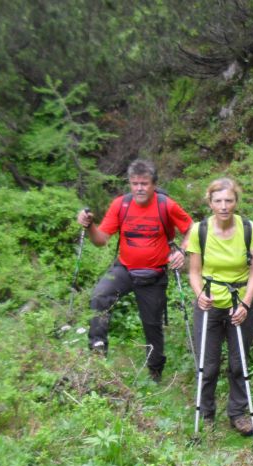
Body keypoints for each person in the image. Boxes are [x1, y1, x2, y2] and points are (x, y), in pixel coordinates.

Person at [76, 159, 192, 381]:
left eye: (144, 183)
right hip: (125, 269)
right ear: (129, 183)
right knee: (100, 295)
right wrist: (90, 226)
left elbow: (191, 229)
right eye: (135, 183)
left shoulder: (166, 205)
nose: (139, 188)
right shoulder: (121, 204)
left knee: (152, 325)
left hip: (154, 274)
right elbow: (101, 240)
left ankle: (155, 371)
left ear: (154, 184)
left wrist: (182, 252)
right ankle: (97, 349)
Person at [187, 178, 253, 437]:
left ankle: (238, 413)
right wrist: (199, 295)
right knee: (207, 364)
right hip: (209, 303)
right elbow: (194, 272)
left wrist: (245, 302)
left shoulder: (249, 229)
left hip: (239, 303)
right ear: (209, 203)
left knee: (238, 363)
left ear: (236, 202)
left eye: (228, 200)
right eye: (218, 201)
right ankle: (206, 414)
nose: (223, 206)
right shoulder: (200, 231)